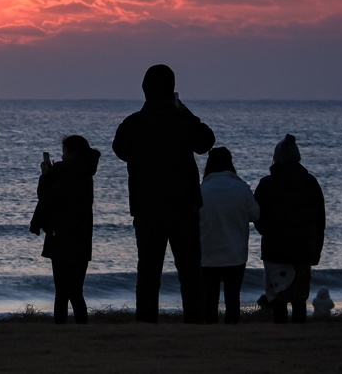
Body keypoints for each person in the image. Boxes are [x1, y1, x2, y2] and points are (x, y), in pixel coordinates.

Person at [112, 64, 215, 323]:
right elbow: (206, 142)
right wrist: (185, 113)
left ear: (144, 90)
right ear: (172, 92)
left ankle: (146, 323)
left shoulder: (133, 124)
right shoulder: (181, 121)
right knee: (190, 272)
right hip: (184, 208)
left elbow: (120, 149)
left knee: (148, 272)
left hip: (147, 208)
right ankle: (195, 323)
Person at [254, 134, 326, 324]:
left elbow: (256, 216)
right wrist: (316, 250)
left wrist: (266, 232)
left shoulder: (266, 184)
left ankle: (281, 333)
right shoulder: (310, 183)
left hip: (274, 250)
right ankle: (299, 333)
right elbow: (320, 221)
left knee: (278, 296)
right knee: (299, 298)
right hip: (303, 250)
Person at [29, 135, 101, 324]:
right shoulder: (85, 173)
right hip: (82, 236)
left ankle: (61, 328)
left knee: (62, 292)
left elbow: (47, 198)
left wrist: (45, 176)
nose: (62, 156)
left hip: (62, 235)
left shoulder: (69, 175)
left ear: (71, 152)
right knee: (76, 291)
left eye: (64, 152)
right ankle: (81, 327)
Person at [199, 147, 259, 324]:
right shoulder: (241, 188)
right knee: (233, 298)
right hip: (236, 252)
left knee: (210, 299)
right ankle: (232, 331)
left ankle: (211, 332)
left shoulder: (202, 190)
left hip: (208, 253)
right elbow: (255, 215)